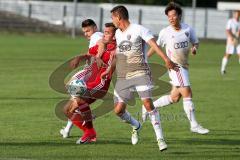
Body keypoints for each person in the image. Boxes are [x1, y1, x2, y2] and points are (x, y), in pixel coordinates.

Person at [106, 5, 178, 151]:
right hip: (123, 76)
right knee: (118, 111)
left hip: (141, 73)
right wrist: (109, 69)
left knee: (147, 104)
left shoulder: (139, 29)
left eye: (112, 17)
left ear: (118, 17)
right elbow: (118, 55)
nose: (112, 21)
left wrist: (166, 59)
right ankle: (136, 125)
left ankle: (160, 139)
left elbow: (154, 45)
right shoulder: (118, 34)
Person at [142, 2, 209, 135]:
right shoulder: (165, 32)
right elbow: (156, 46)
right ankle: (194, 124)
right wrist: (145, 58)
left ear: (179, 15)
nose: (171, 18)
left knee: (174, 98)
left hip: (184, 66)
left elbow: (195, 42)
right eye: (169, 17)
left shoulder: (188, 29)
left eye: (173, 15)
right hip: (175, 67)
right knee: (188, 93)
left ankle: (148, 107)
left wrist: (195, 48)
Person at [60, 21, 116, 144]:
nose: (103, 35)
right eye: (104, 32)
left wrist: (103, 63)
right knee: (66, 110)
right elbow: (90, 54)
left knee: (77, 94)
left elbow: (106, 50)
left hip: (100, 83)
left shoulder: (114, 48)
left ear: (115, 35)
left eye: (107, 33)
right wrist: (79, 58)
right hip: (91, 81)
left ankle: (89, 129)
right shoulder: (102, 42)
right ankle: (89, 132)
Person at [221, 10, 240, 75]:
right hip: (231, 41)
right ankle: (223, 69)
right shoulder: (230, 21)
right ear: (234, 14)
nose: (237, 15)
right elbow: (227, 30)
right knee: (228, 54)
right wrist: (232, 37)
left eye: (238, 14)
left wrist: (237, 36)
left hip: (238, 41)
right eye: (236, 14)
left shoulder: (239, 22)